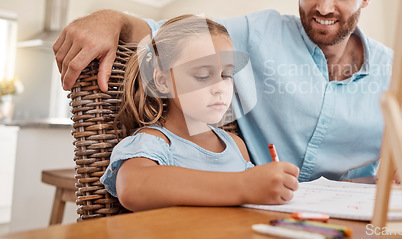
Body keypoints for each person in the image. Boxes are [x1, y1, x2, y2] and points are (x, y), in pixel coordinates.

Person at [54, 0, 402, 184]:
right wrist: (112, 19)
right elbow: (169, 36)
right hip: (262, 216)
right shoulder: (256, 32)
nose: (324, 7)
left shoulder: (393, 71)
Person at [99, 15, 299, 211]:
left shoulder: (235, 144)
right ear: (163, 81)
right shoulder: (154, 143)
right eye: (203, 75)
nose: (220, 87)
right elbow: (134, 188)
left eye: (226, 75)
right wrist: (243, 185)